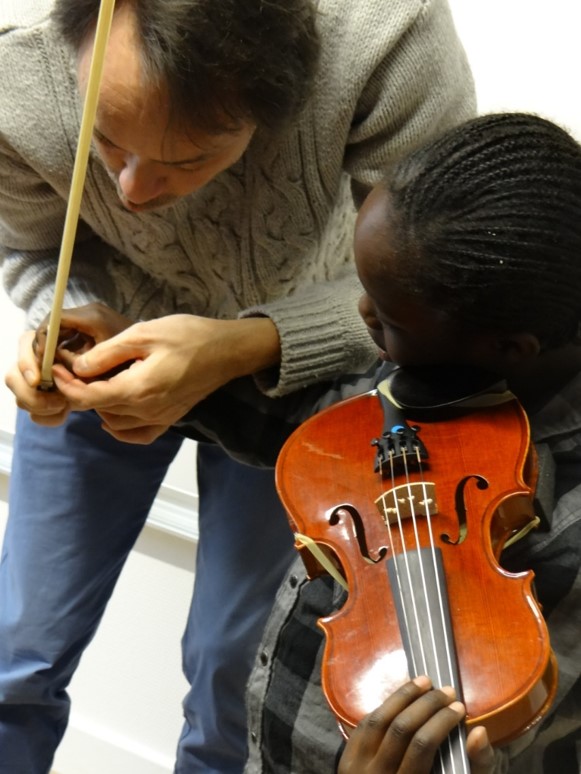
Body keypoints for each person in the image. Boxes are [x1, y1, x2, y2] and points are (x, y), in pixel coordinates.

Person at [0, 0, 475, 771]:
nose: (130, 191)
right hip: (113, 364)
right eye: (106, 144)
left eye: (186, 160)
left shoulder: (386, 39)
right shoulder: (20, 72)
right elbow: (30, 246)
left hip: (309, 385)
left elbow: (429, 289)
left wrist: (243, 344)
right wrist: (67, 322)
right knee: (17, 655)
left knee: (235, 678)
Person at [177, 112, 581, 772]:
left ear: (508, 348)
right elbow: (300, 429)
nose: (361, 316)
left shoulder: (565, 508)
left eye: (387, 319)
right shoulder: (425, 373)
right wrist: (135, 362)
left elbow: (504, 738)